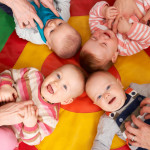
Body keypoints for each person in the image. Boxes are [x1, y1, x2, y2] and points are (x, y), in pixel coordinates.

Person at [0, 64, 85, 149]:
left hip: (6, 133)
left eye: (65, 87)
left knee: (8, 141)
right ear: (52, 72)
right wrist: (5, 86)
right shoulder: (33, 74)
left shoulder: (50, 119)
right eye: (58, 76)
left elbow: (33, 140)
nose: (56, 83)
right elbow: (8, 73)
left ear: (66, 101)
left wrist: (30, 124)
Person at [79, 0, 150, 73]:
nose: (101, 37)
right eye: (104, 44)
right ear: (114, 56)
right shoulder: (125, 48)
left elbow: (93, 13)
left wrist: (104, 11)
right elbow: (147, 39)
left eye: (94, 38)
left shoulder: (96, 28)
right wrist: (129, 29)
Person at [85, 71, 150, 150]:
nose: (106, 95)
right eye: (99, 96)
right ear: (97, 104)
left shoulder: (136, 90)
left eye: (108, 87)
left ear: (119, 84)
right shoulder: (107, 121)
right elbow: (101, 143)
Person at [14, 0, 81, 59]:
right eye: (60, 24)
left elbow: (21, 32)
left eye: (51, 31)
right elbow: (64, 1)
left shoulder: (37, 37)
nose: (52, 24)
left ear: (48, 43)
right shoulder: (64, 14)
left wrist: (19, 17)